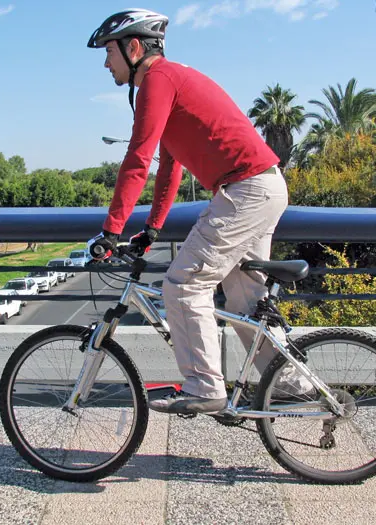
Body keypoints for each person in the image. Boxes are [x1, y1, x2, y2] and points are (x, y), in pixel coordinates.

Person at [86, 8, 293, 414]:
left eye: (108, 52)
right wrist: (152, 228)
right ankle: (288, 387)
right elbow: (171, 164)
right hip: (261, 186)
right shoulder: (170, 80)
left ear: (132, 47)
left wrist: (110, 231)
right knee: (243, 305)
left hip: (245, 189)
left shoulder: (157, 81)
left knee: (182, 286)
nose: (104, 62)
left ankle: (204, 387)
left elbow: (138, 159)